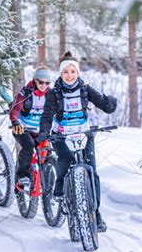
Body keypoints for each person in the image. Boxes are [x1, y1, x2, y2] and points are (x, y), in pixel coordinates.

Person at [37, 51, 117, 232]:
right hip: (61, 135)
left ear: (78, 73)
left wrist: (110, 104)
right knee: (65, 159)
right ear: (61, 74)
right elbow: (47, 114)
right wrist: (44, 132)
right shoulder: (53, 93)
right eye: (66, 72)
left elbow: (101, 102)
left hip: (83, 134)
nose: (69, 75)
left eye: (73, 71)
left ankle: (95, 213)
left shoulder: (85, 89)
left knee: (92, 171)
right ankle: (59, 184)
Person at [9, 66, 52, 190]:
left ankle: (47, 177)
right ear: (35, 80)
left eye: (47, 82)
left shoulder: (51, 94)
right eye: (41, 82)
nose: (44, 85)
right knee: (28, 146)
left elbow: (59, 110)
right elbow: (15, 108)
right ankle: (22, 175)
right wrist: (15, 121)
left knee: (48, 150)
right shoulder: (26, 92)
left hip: (40, 130)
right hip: (22, 128)